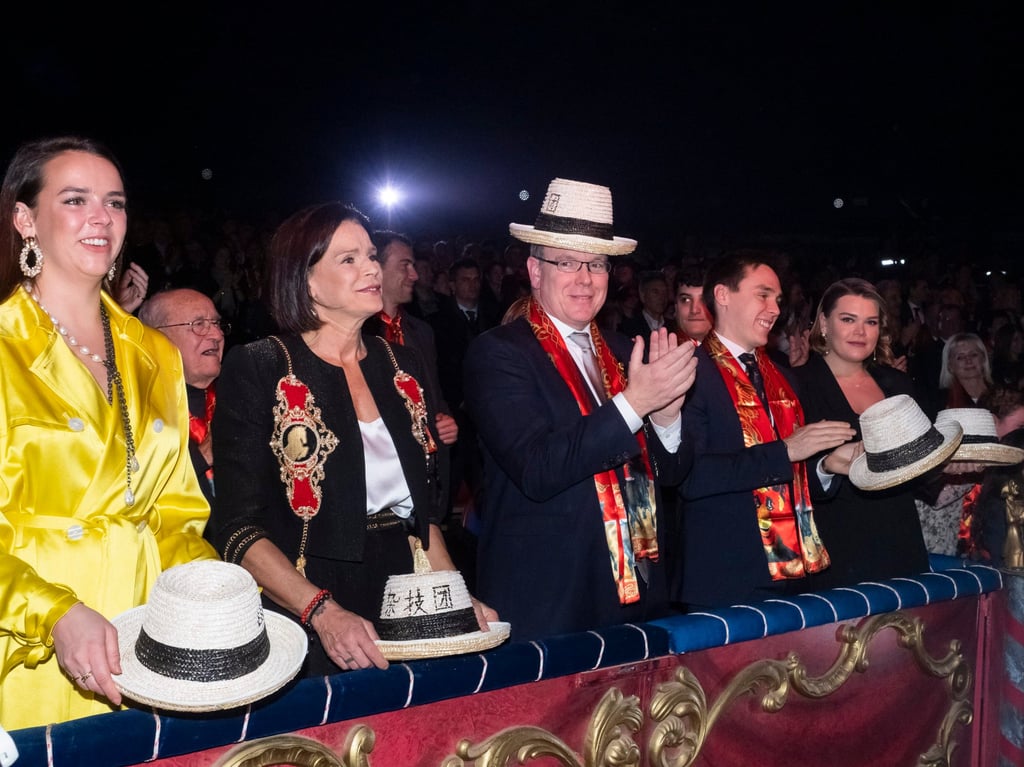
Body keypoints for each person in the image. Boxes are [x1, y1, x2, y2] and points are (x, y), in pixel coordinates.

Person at [210, 202, 495, 675]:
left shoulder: (404, 364)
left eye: (370, 255)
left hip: (405, 594)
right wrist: (322, 612)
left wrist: (455, 602)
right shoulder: (261, 367)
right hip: (304, 599)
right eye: (348, 259)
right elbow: (238, 530)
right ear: (306, 281)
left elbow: (423, 520)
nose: (371, 268)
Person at [0, 136, 215, 728]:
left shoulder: (154, 353)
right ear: (25, 219)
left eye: (115, 203)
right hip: (29, 642)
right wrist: (55, 613)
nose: (101, 217)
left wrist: (211, 591)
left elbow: (175, 513)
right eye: (74, 200)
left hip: (150, 635)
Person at [464, 178, 697, 640]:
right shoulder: (499, 353)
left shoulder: (622, 349)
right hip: (550, 597)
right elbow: (537, 467)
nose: (585, 278)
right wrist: (637, 403)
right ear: (535, 271)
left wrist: (668, 417)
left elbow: (671, 476)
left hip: (638, 591)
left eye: (596, 264)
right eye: (567, 262)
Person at [677, 251, 855, 609]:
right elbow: (690, 477)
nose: (774, 309)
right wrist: (785, 451)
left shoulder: (783, 377)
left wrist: (825, 467)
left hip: (795, 571)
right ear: (723, 295)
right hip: (726, 575)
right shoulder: (689, 373)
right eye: (763, 295)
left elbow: (792, 471)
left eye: (777, 299)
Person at [790, 278, 930, 590]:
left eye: (871, 322)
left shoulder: (898, 384)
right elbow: (780, 471)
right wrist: (826, 466)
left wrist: (955, 465)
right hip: (835, 544)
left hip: (900, 538)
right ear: (824, 324)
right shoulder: (796, 385)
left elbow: (920, 466)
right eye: (848, 320)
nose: (860, 332)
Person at [139, 288, 228, 506]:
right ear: (158, 338)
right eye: (198, 325)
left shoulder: (241, 394)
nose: (217, 335)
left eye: (216, 323)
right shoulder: (139, 407)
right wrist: (204, 456)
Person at [940, 332, 992, 408]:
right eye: (960, 357)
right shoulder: (941, 400)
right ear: (950, 365)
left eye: (973, 355)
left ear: (983, 359)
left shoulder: (1001, 395)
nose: (968, 360)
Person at [672, 266, 711, 344]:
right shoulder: (655, 354)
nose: (694, 310)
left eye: (704, 300)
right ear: (676, 307)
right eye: (686, 300)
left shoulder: (738, 350)